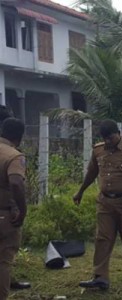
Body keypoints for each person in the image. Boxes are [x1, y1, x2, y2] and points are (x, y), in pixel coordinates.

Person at [73, 119, 122, 290]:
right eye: (105, 138)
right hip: (105, 202)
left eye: (110, 138)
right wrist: (80, 191)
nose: (108, 141)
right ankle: (100, 277)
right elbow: (92, 172)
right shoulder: (98, 150)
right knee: (103, 238)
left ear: (118, 134)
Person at [0, 106, 31, 292]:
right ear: (19, 137)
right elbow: (16, 184)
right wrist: (22, 209)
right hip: (4, 216)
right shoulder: (14, 156)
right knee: (4, 260)